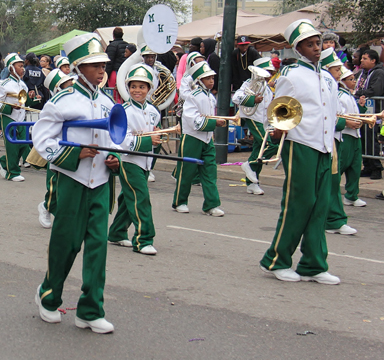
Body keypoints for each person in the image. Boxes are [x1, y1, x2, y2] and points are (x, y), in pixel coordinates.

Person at [32, 33, 121, 334]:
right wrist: (73, 153)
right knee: (66, 244)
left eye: (103, 65)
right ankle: (49, 295)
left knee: (97, 247)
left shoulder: (109, 103)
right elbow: (42, 140)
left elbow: (116, 140)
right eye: (94, 65)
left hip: (101, 183)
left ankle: (91, 310)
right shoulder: (62, 101)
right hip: (72, 180)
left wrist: (115, 160)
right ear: (79, 67)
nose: (101, 70)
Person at [259, 20, 341, 285]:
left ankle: (313, 264)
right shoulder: (290, 76)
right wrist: (275, 132)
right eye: (310, 44)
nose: (317, 48)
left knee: (320, 206)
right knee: (298, 205)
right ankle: (276, 260)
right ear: (297, 49)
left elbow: (332, 113)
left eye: (318, 43)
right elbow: (277, 111)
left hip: (325, 147)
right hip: (301, 146)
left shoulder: (328, 77)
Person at [108, 64, 166, 255]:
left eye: (142, 87)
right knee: (140, 198)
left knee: (128, 198)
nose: (137, 91)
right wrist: (149, 141)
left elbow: (155, 134)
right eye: (133, 86)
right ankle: (143, 239)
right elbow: (121, 141)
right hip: (128, 160)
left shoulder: (153, 111)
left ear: (149, 89)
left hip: (146, 161)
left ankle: (116, 232)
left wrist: (158, 137)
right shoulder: (122, 111)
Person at [172, 61, 226, 216]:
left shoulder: (211, 97)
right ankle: (179, 201)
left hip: (207, 139)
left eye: (212, 78)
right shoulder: (192, 96)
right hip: (192, 138)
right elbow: (193, 120)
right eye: (207, 78)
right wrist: (214, 122)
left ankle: (211, 204)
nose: (211, 81)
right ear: (199, 81)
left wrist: (213, 122)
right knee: (186, 171)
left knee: (210, 172)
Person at [320, 50, 360, 236]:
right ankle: (329, 219)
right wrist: (345, 123)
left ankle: (334, 219)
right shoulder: (322, 86)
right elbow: (324, 116)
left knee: (334, 181)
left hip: (333, 140)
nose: (339, 73)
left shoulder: (332, 87)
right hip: (319, 140)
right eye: (336, 69)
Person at [35, 68, 76, 228]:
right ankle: (46, 207)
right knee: (54, 185)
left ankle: (62, 213)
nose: (70, 87)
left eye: (70, 83)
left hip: (73, 147)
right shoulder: (53, 105)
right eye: (65, 85)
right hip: (58, 149)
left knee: (69, 186)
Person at [232, 58, 277, 195]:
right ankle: (250, 165)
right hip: (252, 118)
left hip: (263, 121)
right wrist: (252, 99)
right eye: (267, 71)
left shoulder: (267, 87)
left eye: (270, 71)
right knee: (269, 145)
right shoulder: (249, 83)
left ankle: (252, 183)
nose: (269, 74)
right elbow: (236, 97)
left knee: (259, 149)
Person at [0, 54, 34, 182]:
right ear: (11, 68)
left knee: (23, 145)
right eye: (20, 66)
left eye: (23, 66)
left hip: (21, 118)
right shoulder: (4, 84)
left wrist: (32, 98)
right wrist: (10, 108)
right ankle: (12, 172)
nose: (23, 69)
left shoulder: (23, 85)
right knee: (12, 146)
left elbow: (25, 103)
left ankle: (4, 162)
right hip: (9, 118)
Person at [336, 68, 366, 209]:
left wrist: (361, 108)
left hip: (355, 136)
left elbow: (354, 114)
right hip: (346, 135)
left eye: (354, 79)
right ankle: (332, 193)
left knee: (355, 166)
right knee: (341, 165)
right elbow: (339, 116)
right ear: (343, 81)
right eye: (351, 79)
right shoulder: (340, 96)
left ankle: (351, 195)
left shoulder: (349, 95)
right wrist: (348, 123)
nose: (354, 82)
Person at [354, 48, 384, 179]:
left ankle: (376, 168)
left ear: (373, 60)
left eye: (365, 59)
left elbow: (374, 91)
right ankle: (367, 166)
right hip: (363, 110)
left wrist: (357, 93)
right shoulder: (362, 73)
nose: (361, 60)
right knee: (364, 139)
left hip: (375, 111)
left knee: (372, 139)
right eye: (361, 58)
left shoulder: (378, 73)